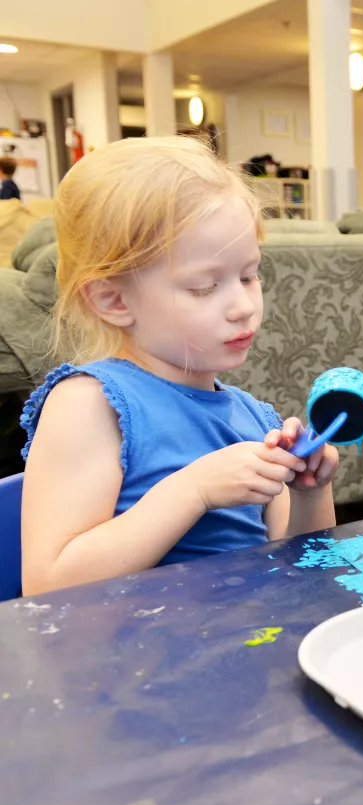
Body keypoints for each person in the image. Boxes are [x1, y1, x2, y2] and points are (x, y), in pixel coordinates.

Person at [20, 136, 339, 595]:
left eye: (249, 275)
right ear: (113, 300)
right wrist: (194, 491)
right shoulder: (89, 405)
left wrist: (309, 492)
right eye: (204, 287)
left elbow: (300, 567)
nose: (243, 306)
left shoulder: (254, 417)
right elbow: (48, 585)